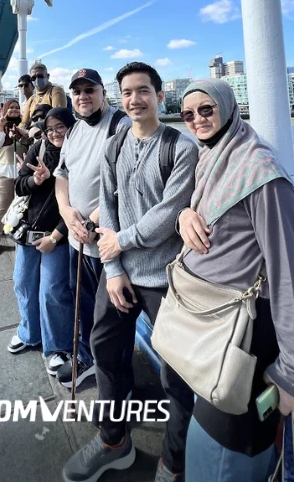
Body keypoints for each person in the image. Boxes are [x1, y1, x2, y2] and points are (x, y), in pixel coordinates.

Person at [62, 62, 198, 482]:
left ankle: (174, 462)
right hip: (119, 273)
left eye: (143, 91)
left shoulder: (181, 146)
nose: (135, 99)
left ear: (159, 95)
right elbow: (110, 203)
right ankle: (113, 440)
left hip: (166, 279)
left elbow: (170, 211)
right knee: (104, 351)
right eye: (128, 92)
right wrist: (114, 266)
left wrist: (122, 242)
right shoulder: (116, 143)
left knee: (176, 373)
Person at [177, 79, 294, 481]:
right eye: (188, 114)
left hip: (244, 335)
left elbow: (288, 277)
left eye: (206, 109)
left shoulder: (260, 172)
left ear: (229, 106)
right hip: (209, 327)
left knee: (222, 452)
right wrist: (184, 215)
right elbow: (201, 209)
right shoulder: (213, 158)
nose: (197, 120)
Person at [54, 68, 131, 390]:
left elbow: (126, 183)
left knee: (113, 319)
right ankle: (87, 360)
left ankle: (118, 382)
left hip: (105, 243)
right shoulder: (72, 132)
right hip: (77, 241)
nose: (83, 96)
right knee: (83, 306)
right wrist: (66, 210)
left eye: (90, 90)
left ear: (103, 92)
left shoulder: (120, 126)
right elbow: (62, 176)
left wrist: (91, 220)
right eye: (77, 92)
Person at [8, 107, 76, 375]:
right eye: (50, 129)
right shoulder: (38, 148)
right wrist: (36, 180)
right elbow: (19, 186)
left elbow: (79, 202)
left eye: (61, 127)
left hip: (58, 237)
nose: (55, 133)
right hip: (29, 233)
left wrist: (57, 234)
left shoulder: (77, 154)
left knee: (53, 292)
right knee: (23, 283)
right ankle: (29, 332)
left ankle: (57, 346)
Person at [0, 98, 30, 255]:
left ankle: (17, 236)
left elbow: (30, 140)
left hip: (22, 174)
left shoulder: (24, 126)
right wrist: (1, 126)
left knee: (21, 208)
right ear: (5, 109)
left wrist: (21, 132)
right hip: (3, 173)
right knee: (1, 208)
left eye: (16, 107)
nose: (14, 110)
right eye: (11, 107)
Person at [21, 62, 67, 127]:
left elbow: (58, 117)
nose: (37, 80)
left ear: (48, 76)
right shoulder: (32, 99)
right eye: (33, 78)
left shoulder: (56, 91)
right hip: (33, 133)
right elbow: (24, 123)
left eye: (40, 76)